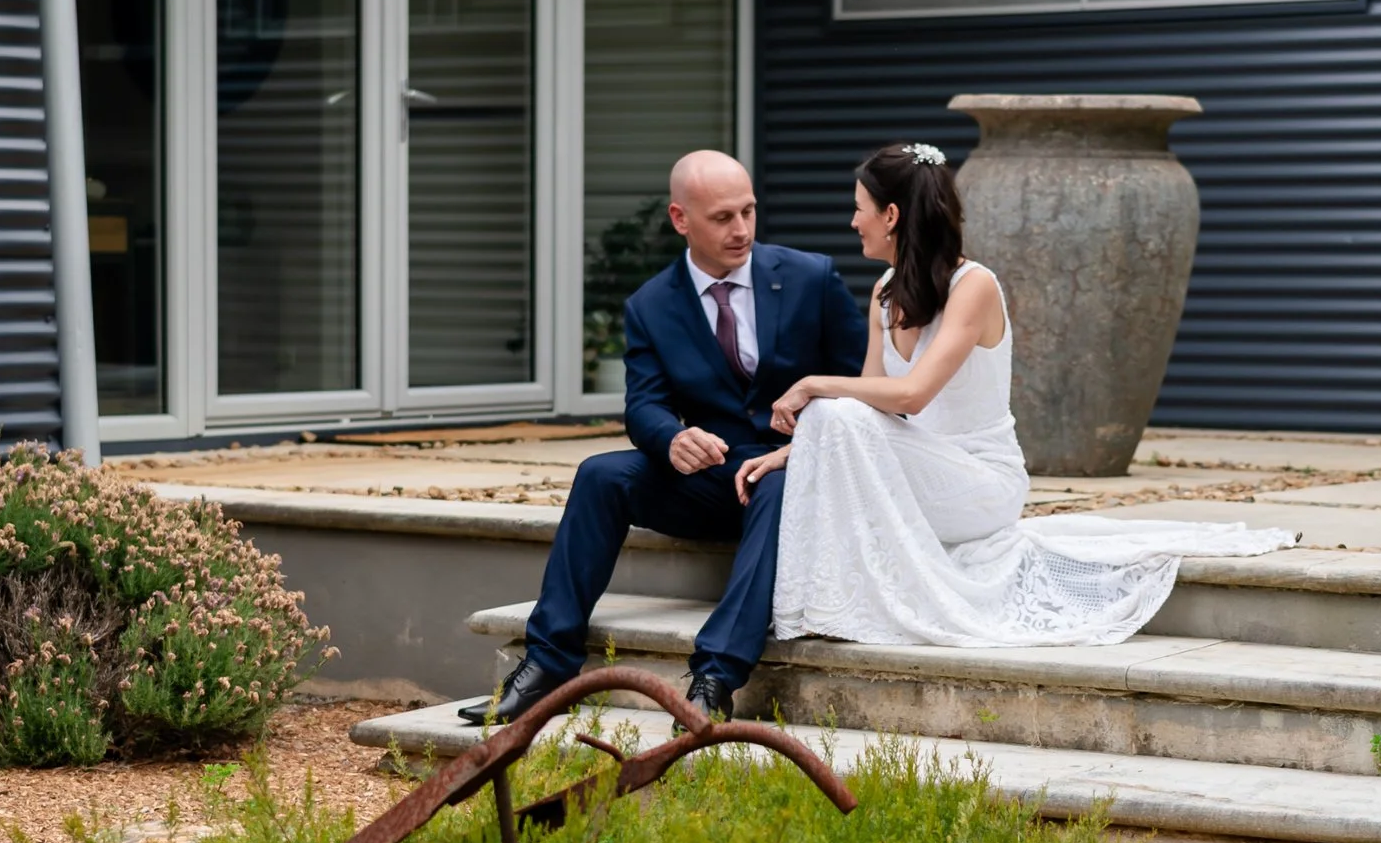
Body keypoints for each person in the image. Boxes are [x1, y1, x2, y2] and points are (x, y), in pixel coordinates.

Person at [745, 140, 1206, 648]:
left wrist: (812, 386)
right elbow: (869, 412)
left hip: (981, 484)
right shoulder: (885, 291)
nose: (854, 222)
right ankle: (826, 603)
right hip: (919, 472)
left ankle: (828, 604)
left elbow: (912, 395)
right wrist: (795, 451)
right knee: (835, 416)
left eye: (859, 209)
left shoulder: (974, 285)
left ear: (891, 215)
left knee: (832, 409)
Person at [473, 148, 868, 724]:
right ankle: (549, 660)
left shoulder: (812, 278)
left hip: (796, 470)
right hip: (710, 479)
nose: (742, 230)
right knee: (601, 474)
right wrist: (670, 439)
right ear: (681, 219)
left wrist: (798, 449)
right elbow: (644, 404)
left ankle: (714, 675)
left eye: (749, 212)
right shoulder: (651, 305)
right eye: (722, 218)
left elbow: (863, 386)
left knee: (781, 489)